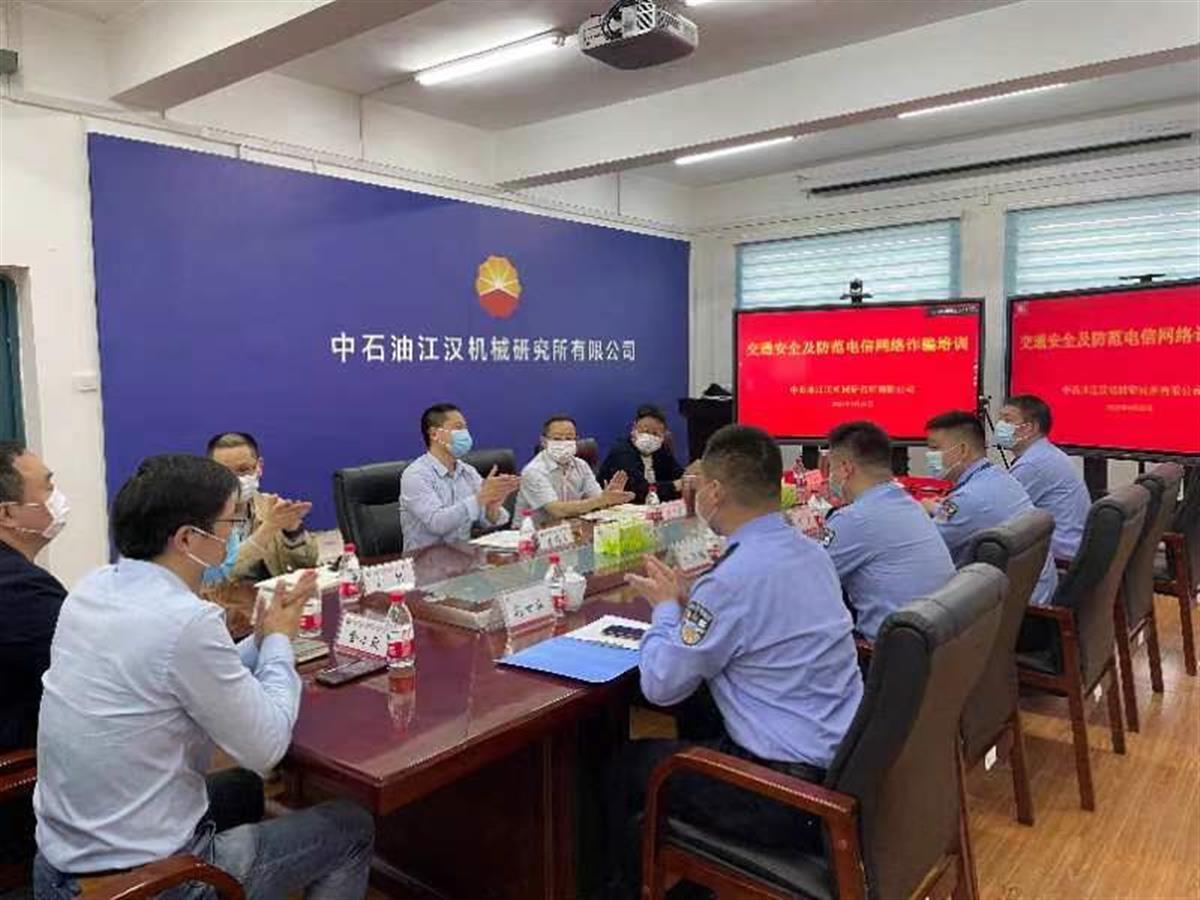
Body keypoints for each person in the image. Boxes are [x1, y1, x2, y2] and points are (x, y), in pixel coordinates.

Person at [33, 454, 374, 900]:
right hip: (146, 883)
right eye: (230, 523)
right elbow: (267, 746)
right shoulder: (185, 621)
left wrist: (260, 637)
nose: (235, 536)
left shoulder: (92, 588)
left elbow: (180, 669)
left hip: (58, 865)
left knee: (243, 789)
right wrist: (278, 641)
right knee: (352, 828)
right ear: (187, 538)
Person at [609, 425, 863, 898]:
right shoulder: (810, 552)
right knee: (699, 711)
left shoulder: (730, 578)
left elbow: (661, 686)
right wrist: (692, 605)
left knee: (631, 764)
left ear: (714, 492)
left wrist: (665, 609)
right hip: (843, 765)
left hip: (784, 795)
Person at [0, 442, 69, 879]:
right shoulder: (18, 590)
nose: (58, 498)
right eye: (48, 487)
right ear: (8, 514)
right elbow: (96, 671)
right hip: (25, 790)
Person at [820, 421, 956, 641]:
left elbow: (804, 579)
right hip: (935, 641)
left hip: (890, 651)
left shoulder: (854, 518)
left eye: (831, 469)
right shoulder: (910, 503)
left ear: (845, 469)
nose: (830, 478)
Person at [923, 411, 1058, 605]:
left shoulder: (967, 499)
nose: (930, 456)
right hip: (1033, 591)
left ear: (962, 450)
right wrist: (937, 509)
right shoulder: (997, 476)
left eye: (935, 448)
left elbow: (924, 549)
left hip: (1017, 607)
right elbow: (968, 513)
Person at [400, 403, 519, 552]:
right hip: (424, 560)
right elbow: (437, 524)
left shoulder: (468, 472)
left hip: (462, 557)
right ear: (434, 434)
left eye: (465, 428)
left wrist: (492, 507)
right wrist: (480, 498)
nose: (465, 434)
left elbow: (488, 521)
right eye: (458, 428)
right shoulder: (416, 475)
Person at [206, 432, 318, 583]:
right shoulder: (198, 517)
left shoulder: (270, 506)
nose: (235, 480)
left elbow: (307, 564)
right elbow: (215, 578)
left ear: (259, 467)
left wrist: (293, 532)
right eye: (224, 472)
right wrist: (268, 529)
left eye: (243, 470)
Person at [997, 394, 1091, 562]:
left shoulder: (1033, 465)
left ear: (1031, 428)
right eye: (1000, 419)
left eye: (1008, 420)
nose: (1000, 426)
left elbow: (1001, 514)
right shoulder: (1043, 454)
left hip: (1059, 556)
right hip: (1070, 547)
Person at [515, 415, 634, 525]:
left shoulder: (581, 465)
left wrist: (609, 499)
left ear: (576, 440)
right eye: (557, 438)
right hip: (528, 535)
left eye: (568, 438)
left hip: (569, 531)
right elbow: (557, 510)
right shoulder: (533, 471)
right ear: (543, 441)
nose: (563, 443)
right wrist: (601, 500)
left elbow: (597, 501)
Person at [598, 404, 686, 504]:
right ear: (634, 429)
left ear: (662, 436)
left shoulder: (661, 451)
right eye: (645, 431)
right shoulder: (622, 452)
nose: (649, 437)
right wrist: (674, 486)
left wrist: (689, 477)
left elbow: (679, 475)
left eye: (655, 434)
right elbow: (639, 490)